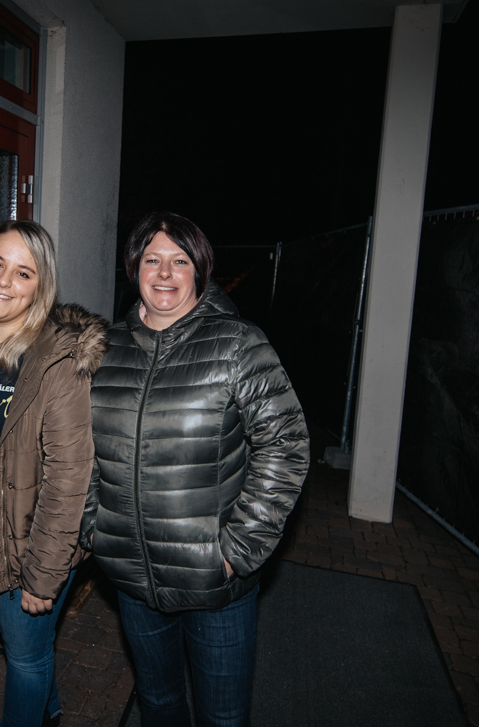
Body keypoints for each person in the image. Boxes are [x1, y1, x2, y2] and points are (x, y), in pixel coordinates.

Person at [82, 212, 310, 727]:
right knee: (158, 704)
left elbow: (286, 444)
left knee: (223, 717)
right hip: (132, 577)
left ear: (200, 270)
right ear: (134, 269)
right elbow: (84, 449)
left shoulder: (237, 343)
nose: (165, 273)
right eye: (152, 260)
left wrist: (238, 550)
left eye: (180, 261)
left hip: (215, 582)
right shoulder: (105, 350)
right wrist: (95, 527)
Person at [0, 220, 107, 727]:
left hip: (25, 539)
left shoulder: (56, 359)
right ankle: (51, 709)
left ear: (41, 286)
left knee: (23, 656)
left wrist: (44, 574)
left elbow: (69, 475)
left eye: (24, 273)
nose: (4, 281)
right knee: (19, 639)